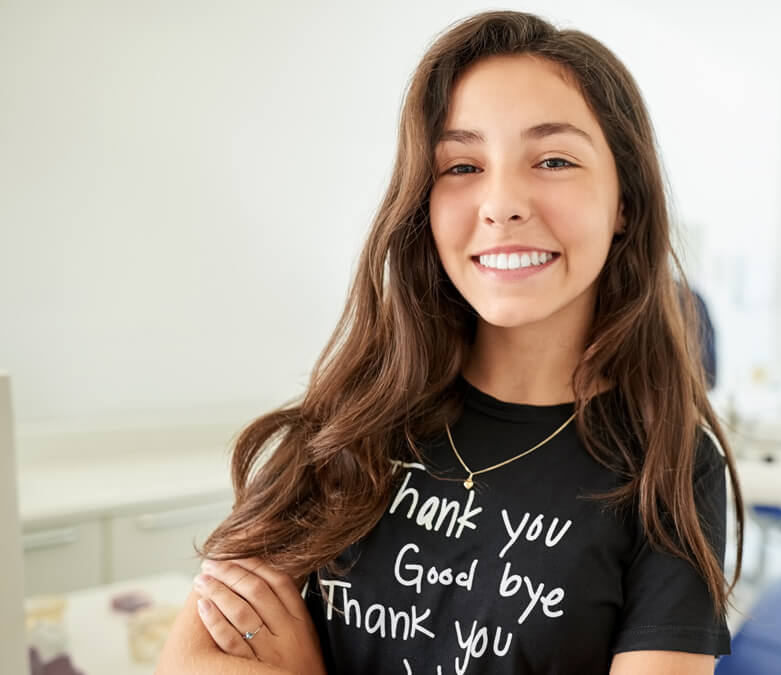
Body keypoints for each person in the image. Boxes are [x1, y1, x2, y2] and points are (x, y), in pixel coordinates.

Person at [157, 10, 744, 675]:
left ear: (625, 203)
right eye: (462, 165)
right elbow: (188, 661)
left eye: (553, 159)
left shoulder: (669, 465)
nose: (501, 203)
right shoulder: (348, 418)